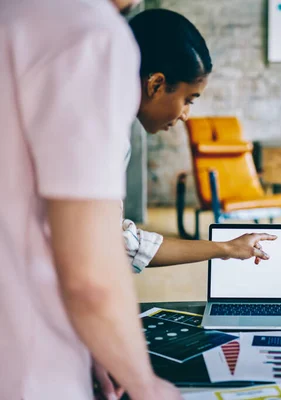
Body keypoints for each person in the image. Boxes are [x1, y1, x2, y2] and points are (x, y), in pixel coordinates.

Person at [0, 0, 180, 399]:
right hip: (31, 365)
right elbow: (91, 274)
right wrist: (145, 384)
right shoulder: (89, 32)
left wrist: (100, 341)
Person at [124, 9, 276, 273]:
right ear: (156, 85)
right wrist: (225, 249)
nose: (185, 115)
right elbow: (120, 246)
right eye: (188, 100)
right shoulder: (100, 138)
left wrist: (228, 248)